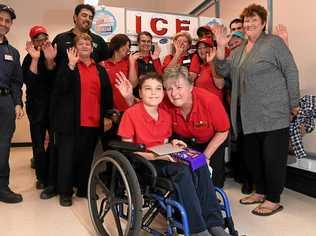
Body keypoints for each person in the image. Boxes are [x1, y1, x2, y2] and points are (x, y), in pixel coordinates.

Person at [214, 4, 300, 216]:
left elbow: (290, 70)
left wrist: (294, 102)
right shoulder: (238, 50)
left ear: (263, 23)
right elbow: (223, 70)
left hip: (273, 112)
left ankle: (273, 198)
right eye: (246, 21)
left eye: (254, 20)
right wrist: (220, 46)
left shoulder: (273, 43)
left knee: (272, 157)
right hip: (248, 116)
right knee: (253, 157)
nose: (249, 24)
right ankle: (260, 191)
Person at [117, 72, 228, 236]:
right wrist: (157, 156)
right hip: (144, 161)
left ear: (162, 94)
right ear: (139, 92)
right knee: (182, 171)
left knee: (199, 162)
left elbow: (163, 141)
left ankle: (214, 223)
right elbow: (128, 149)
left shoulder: (165, 115)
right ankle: (198, 229)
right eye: (148, 89)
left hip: (164, 157)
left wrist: (172, 144)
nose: (154, 93)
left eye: (158, 89)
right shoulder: (131, 114)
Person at [52, 33, 113, 207]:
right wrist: (71, 65)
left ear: (92, 47)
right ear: (75, 47)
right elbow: (60, 89)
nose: (85, 45)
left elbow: (107, 94)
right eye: (81, 42)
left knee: (86, 158)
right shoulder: (67, 65)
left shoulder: (100, 70)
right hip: (70, 122)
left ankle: (82, 188)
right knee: (66, 158)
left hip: (93, 122)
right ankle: (65, 192)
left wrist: (108, 116)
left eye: (88, 42)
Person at [22, 25, 57, 198]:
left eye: (45, 38)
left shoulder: (52, 54)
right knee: (38, 143)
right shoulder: (29, 59)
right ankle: (41, 177)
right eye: (38, 39)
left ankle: (52, 177)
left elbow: (54, 78)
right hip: (35, 107)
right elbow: (30, 82)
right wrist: (35, 59)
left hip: (52, 106)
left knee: (52, 142)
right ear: (33, 41)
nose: (42, 42)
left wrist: (49, 60)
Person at [0, 4, 24, 204]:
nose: (3, 24)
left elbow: (17, 81)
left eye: (7, 21)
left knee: (3, 146)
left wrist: (17, 103)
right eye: (0, 19)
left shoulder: (13, 53)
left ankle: (2, 187)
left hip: (5, 102)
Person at [189, 37, 225, 102]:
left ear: (212, 49)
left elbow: (220, 85)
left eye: (205, 47)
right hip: (202, 106)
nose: (202, 50)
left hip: (214, 106)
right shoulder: (200, 66)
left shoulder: (217, 63)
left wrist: (211, 63)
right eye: (199, 48)